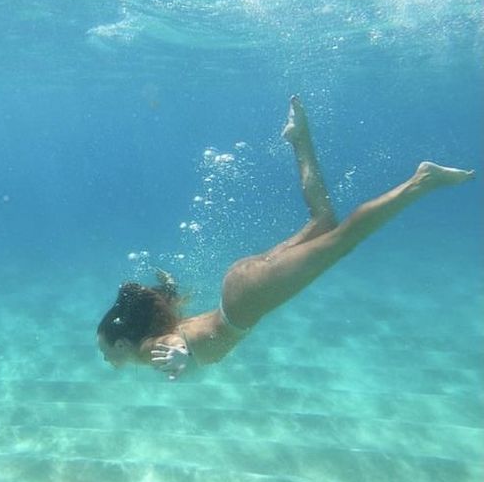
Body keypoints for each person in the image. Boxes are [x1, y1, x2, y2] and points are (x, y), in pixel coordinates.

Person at [96, 96, 475, 380]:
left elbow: (170, 347)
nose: (106, 358)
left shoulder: (147, 350)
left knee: (343, 240)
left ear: (123, 342)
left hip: (247, 299)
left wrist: (180, 356)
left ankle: (421, 181)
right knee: (325, 221)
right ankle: (299, 138)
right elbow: (177, 341)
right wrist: (182, 355)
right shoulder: (157, 331)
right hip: (241, 287)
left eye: (105, 351)